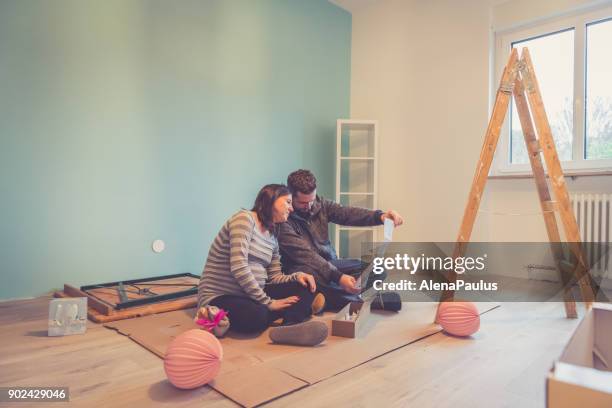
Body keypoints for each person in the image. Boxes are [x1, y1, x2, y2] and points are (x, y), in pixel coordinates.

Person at [197, 184, 323, 338]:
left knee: (307, 284)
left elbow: (275, 277)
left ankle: (288, 326)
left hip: (252, 294)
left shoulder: (273, 237)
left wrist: (297, 276)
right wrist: (268, 302)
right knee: (257, 316)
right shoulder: (244, 219)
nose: (291, 209)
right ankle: (214, 316)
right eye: (288, 202)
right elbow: (239, 266)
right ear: (271, 199)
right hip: (221, 294)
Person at [278, 170, 404, 310]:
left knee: (378, 270)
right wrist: (339, 277)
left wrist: (380, 217)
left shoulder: (321, 204)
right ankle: (365, 303)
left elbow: (347, 213)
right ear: (290, 196)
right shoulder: (283, 220)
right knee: (307, 278)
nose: (309, 206)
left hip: (332, 263)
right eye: (303, 202)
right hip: (304, 268)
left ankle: (327, 300)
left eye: (312, 200)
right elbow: (307, 255)